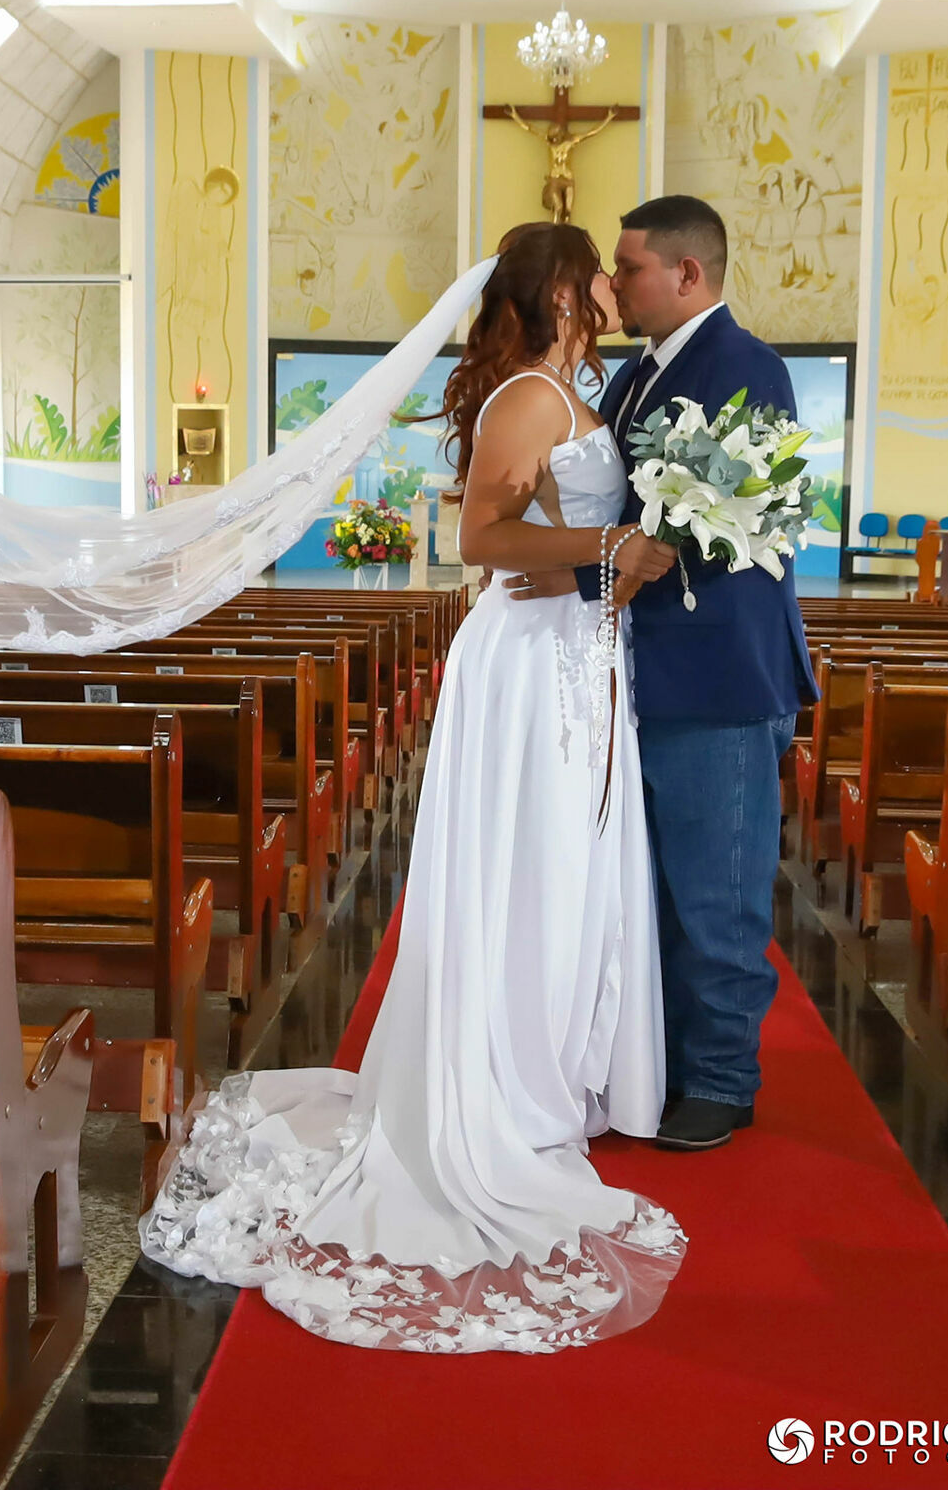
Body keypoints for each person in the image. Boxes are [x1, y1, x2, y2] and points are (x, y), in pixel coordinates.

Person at [139, 221, 689, 1353]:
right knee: (526, 866)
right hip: (527, 661)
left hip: (578, 654)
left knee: (569, 866)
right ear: (562, 286)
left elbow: (564, 531)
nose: (608, 282)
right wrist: (609, 552)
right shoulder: (526, 401)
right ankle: (502, 1085)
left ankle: (546, 1071)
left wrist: (623, 557)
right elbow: (486, 537)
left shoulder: (572, 391)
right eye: (597, 267)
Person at [568, 195, 818, 1151]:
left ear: (687, 274)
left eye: (628, 269)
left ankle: (721, 1077)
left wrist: (626, 546)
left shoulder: (749, 369)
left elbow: (732, 519)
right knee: (654, 890)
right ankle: (665, 1062)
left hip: (718, 679)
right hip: (638, 675)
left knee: (718, 892)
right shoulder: (636, 374)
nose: (614, 287)